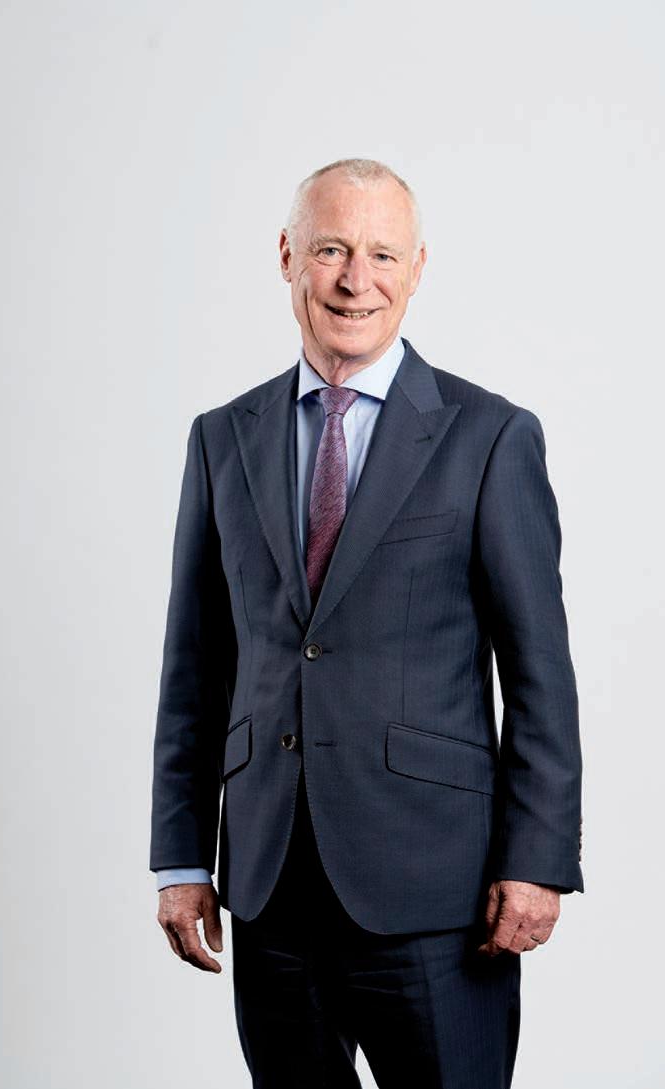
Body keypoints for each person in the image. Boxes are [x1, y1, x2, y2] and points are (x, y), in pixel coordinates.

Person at [149, 157, 584, 1087]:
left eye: (383, 254)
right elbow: (195, 665)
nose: (357, 279)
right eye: (332, 250)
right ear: (287, 256)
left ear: (417, 269)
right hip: (269, 892)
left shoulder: (489, 436)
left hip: (440, 896)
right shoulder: (222, 438)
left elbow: (540, 673)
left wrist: (539, 858)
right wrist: (180, 857)